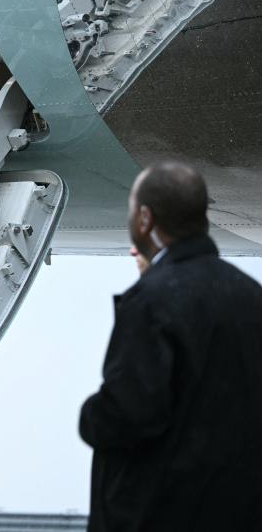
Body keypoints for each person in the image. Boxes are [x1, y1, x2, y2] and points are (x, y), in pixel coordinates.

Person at [79, 162, 262, 531]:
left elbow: (129, 414)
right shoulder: (251, 295)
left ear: (145, 218)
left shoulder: (151, 300)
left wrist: (92, 415)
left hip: (161, 513)